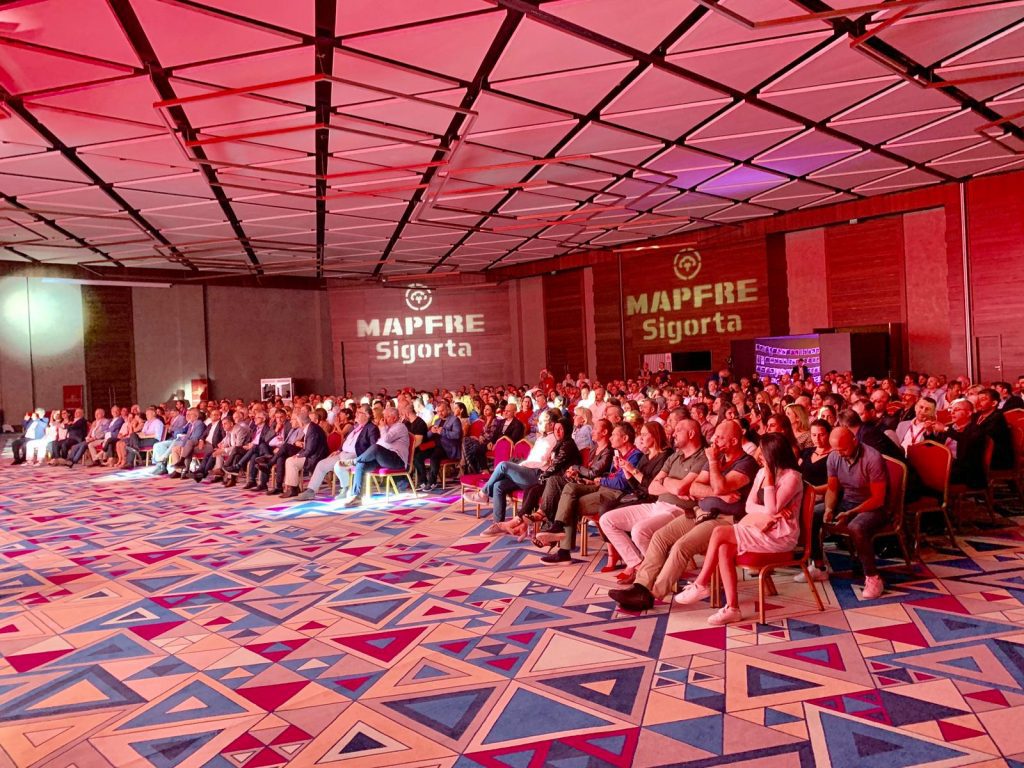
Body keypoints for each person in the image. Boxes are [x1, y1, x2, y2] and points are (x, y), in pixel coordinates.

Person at [608, 420, 758, 611]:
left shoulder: (746, 463)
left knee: (681, 546)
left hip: (724, 520)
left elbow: (720, 486)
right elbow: (693, 488)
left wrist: (713, 466)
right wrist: (717, 492)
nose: (714, 441)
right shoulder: (717, 458)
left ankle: (652, 595)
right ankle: (640, 586)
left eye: (720, 438)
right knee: (660, 537)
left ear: (734, 441)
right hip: (698, 513)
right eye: (715, 436)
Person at [674, 433, 804, 624]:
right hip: (760, 528)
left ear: (773, 453)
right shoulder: (761, 473)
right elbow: (749, 506)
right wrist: (770, 511)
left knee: (719, 532)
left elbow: (772, 508)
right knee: (724, 548)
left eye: (762, 451)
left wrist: (770, 481)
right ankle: (732, 608)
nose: (759, 455)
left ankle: (701, 583)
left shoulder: (792, 477)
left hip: (780, 536)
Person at [599, 418, 706, 584]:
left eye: (678, 430)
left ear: (691, 434)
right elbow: (652, 487)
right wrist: (673, 485)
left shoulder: (702, 457)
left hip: (679, 510)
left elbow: (680, 488)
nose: (673, 434)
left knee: (639, 531)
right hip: (657, 504)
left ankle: (656, 572)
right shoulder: (675, 456)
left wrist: (666, 482)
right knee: (607, 519)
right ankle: (638, 564)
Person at [535, 423, 643, 564]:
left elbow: (623, 483)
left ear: (625, 438)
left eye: (614, 435)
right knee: (569, 487)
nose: (611, 438)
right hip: (603, 486)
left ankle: (563, 550)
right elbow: (610, 475)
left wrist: (601, 480)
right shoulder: (618, 454)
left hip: (617, 493)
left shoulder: (635, 456)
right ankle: (558, 525)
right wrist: (593, 480)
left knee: (570, 504)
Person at [822, 426, 889, 599]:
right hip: (847, 503)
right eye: (836, 450)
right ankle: (818, 565)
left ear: (855, 441)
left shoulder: (872, 458)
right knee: (814, 513)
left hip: (874, 507)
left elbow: (878, 499)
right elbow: (832, 489)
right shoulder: (834, 456)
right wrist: (829, 509)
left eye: (843, 449)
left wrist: (851, 512)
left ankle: (873, 578)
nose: (840, 454)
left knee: (856, 526)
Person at [344, 406, 411, 506]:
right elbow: (380, 443)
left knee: (375, 448)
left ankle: (354, 461)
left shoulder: (400, 427)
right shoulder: (387, 428)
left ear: (394, 418)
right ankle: (357, 497)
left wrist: (383, 427)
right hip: (384, 458)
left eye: (387, 417)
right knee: (361, 464)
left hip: (397, 460)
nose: (384, 419)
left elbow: (386, 440)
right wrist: (383, 428)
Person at [415, 400, 462, 491]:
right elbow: (427, 436)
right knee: (418, 456)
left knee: (434, 455)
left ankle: (432, 481)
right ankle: (423, 480)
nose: (440, 413)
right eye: (438, 411)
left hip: (448, 448)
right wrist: (431, 432)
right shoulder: (437, 420)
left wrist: (443, 432)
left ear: (448, 409)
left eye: (442, 411)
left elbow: (457, 435)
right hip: (434, 446)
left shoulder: (454, 420)